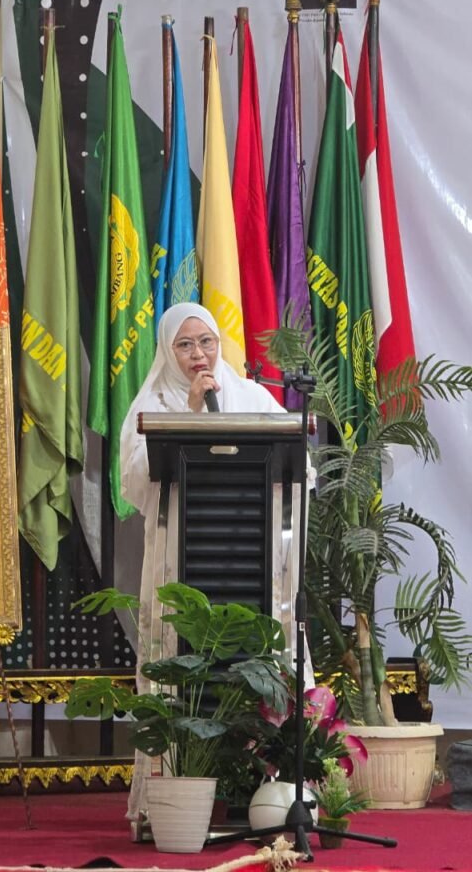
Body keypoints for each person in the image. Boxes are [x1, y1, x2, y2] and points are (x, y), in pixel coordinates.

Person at [121, 302, 293, 821]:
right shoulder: (153, 401)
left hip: (245, 559)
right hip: (183, 558)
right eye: (185, 344)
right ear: (167, 350)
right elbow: (135, 484)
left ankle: (259, 797)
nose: (199, 354)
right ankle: (173, 800)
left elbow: (294, 461)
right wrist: (192, 415)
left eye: (207, 342)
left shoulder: (251, 395)